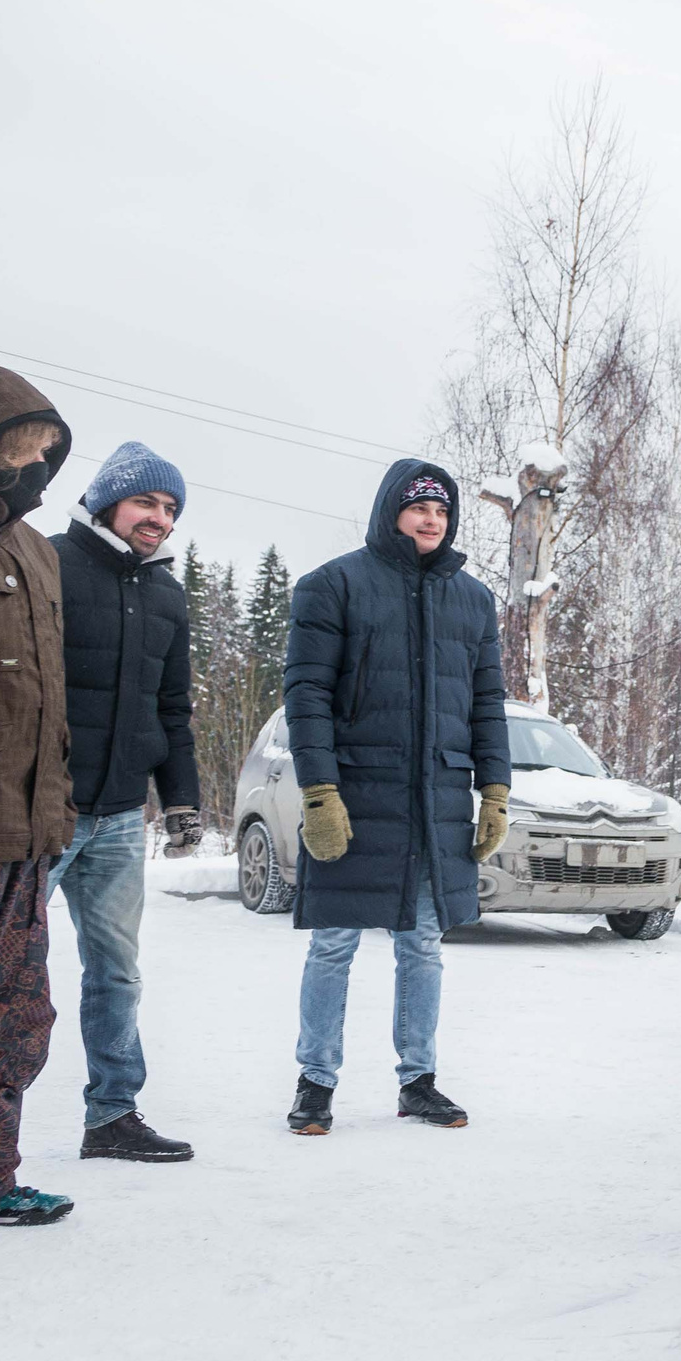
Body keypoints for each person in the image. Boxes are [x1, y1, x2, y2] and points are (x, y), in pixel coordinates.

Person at [280, 461, 508, 1135]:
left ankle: (419, 1081)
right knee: (332, 945)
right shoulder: (334, 585)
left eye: (441, 508)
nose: (431, 519)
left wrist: (495, 787)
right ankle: (315, 1082)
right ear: (390, 511)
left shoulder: (472, 600)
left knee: (424, 946)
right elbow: (307, 695)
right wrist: (319, 791)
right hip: (356, 795)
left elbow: (487, 704)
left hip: (435, 798)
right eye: (418, 507)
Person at [45, 442, 200, 1164]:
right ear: (109, 498)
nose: (159, 519)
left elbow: (173, 710)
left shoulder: (167, 594)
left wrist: (181, 801)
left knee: (116, 970)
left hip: (114, 819)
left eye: (171, 509)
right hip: (37, 810)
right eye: (148, 502)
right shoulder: (47, 563)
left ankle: (113, 1113)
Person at [0, 367, 76, 1228]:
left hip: (29, 829)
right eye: (16, 454)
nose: (33, 472)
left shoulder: (38, 554)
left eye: (44, 454)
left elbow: (49, 697)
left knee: (14, 1018)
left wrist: (60, 808)